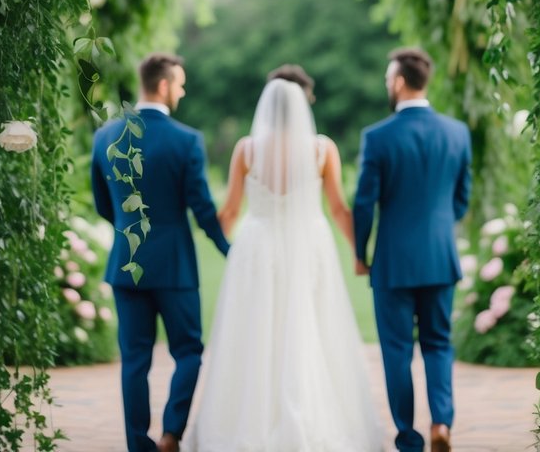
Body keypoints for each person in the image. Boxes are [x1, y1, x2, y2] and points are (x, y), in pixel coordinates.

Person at [184, 74, 382, 452]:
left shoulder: (247, 149)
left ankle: (248, 423)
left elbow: (229, 209)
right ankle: (311, 419)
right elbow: (339, 208)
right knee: (311, 327)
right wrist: (360, 252)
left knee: (255, 330)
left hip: (257, 247)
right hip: (310, 245)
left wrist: (213, 236)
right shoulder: (323, 149)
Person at [91, 53, 230, 452]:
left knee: (134, 359)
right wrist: (229, 251)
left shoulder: (106, 137)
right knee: (188, 351)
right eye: (181, 84)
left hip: (126, 266)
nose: (183, 92)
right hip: (174, 268)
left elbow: (105, 205)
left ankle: (139, 444)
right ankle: (171, 434)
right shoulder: (186, 140)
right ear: (165, 85)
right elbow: (202, 208)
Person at [353, 47, 472, 452]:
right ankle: (442, 422)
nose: (388, 85)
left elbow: (363, 202)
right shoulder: (457, 132)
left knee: (397, 350)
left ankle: (408, 436)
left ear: (400, 82)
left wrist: (361, 253)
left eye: (389, 80)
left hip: (393, 263)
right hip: (440, 257)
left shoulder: (377, 136)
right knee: (439, 343)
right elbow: (461, 199)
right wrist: (438, 226)